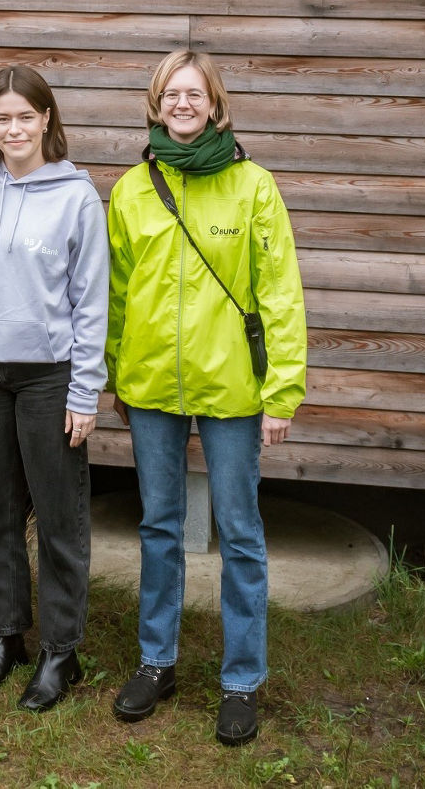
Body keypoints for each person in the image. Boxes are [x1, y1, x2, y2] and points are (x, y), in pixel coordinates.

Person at [105, 49, 306, 745]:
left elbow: (280, 294)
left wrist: (282, 391)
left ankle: (242, 679)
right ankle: (156, 662)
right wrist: (116, 375)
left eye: (194, 94)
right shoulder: (133, 188)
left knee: (241, 535)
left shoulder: (253, 186)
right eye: (170, 94)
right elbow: (117, 293)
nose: (182, 105)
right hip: (153, 387)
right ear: (155, 105)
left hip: (232, 392)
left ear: (215, 105)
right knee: (160, 527)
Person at [0, 66, 109, 712]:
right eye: (1, 118)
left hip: (48, 377)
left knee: (59, 514)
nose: (13, 128)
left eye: (24, 116)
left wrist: (85, 391)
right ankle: (7, 635)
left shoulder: (76, 198)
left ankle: (62, 651)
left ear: (46, 120)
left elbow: (91, 302)